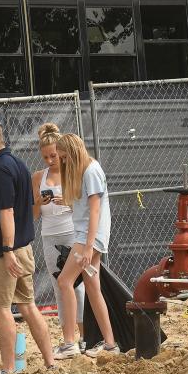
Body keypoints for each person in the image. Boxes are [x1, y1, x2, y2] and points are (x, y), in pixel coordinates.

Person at [0, 117, 55, 374]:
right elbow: (26, 207)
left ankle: (7, 368)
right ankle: (50, 362)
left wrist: (6, 251)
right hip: (24, 247)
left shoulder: (0, 168)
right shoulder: (19, 164)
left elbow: (6, 212)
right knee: (28, 305)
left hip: (6, 251)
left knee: (1, 308)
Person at [54, 133, 119, 358]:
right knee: (92, 287)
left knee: (64, 281)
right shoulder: (87, 170)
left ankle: (70, 343)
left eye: (63, 157)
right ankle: (110, 344)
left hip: (88, 237)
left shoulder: (91, 170)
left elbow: (95, 210)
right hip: (88, 236)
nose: (62, 161)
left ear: (72, 152)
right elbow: (87, 208)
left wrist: (89, 246)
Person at [31, 123, 86, 353]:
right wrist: (39, 203)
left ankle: (85, 335)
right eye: (45, 157)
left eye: (54, 155)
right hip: (49, 234)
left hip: (71, 232)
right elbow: (33, 215)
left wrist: (67, 201)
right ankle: (68, 337)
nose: (50, 160)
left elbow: (83, 207)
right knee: (58, 285)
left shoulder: (72, 172)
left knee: (78, 286)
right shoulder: (37, 177)